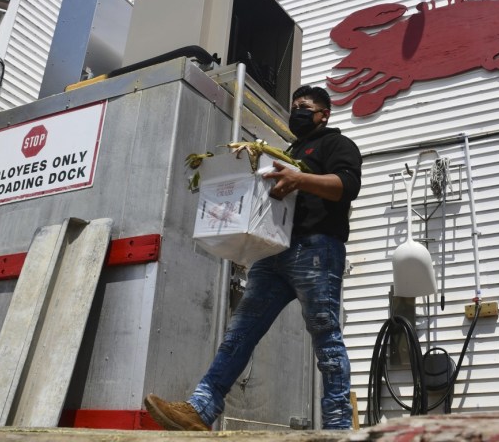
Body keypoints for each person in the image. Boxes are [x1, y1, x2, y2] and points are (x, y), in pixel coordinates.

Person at [144, 85, 363, 431]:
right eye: (294, 106)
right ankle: (200, 410)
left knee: (326, 336)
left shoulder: (337, 144)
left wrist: (299, 178)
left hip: (317, 249)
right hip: (273, 250)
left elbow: (347, 186)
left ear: (324, 114)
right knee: (240, 332)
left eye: (304, 107)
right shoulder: (289, 149)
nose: (297, 112)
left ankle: (337, 427)